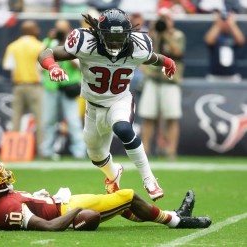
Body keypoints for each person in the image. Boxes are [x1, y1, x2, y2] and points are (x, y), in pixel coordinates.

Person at [38, 8, 177, 201]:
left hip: (119, 100)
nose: (115, 42)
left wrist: (168, 62)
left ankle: (149, 179)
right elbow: (47, 52)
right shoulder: (85, 43)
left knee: (123, 128)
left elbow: (153, 57)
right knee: (95, 154)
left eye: (120, 38)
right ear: (99, 34)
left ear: (129, 35)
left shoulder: (138, 46)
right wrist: (52, 67)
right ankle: (113, 174)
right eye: (110, 36)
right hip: (93, 106)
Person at [0, 159, 212, 231]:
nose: (5, 177)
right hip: (64, 209)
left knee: (114, 203)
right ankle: (177, 220)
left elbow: (12, 211)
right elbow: (49, 226)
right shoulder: (6, 207)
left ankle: (169, 215)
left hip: (57, 204)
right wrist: (71, 210)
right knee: (126, 195)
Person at [137, 8, 185, 160]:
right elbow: (144, 52)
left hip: (170, 81)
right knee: (148, 116)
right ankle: (145, 149)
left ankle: (171, 151)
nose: (163, 22)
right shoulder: (153, 35)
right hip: (152, 79)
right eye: (161, 19)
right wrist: (153, 32)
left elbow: (177, 53)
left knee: (172, 116)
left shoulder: (177, 35)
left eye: (166, 19)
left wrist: (166, 34)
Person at [40, 19, 86, 160]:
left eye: (63, 29)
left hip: (68, 87)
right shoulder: (48, 42)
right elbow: (41, 61)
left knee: (73, 120)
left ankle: (79, 151)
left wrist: (64, 50)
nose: (60, 31)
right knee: (49, 120)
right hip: (51, 86)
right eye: (58, 28)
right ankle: (47, 151)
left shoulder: (74, 44)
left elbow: (78, 66)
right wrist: (55, 44)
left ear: (69, 30)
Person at [2, 20, 45, 154]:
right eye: (36, 27)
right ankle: (42, 151)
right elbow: (43, 67)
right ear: (32, 30)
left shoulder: (13, 46)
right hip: (34, 86)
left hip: (18, 85)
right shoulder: (40, 45)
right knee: (40, 119)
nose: (38, 29)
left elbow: (8, 66)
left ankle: (12, 151)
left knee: (15, 119)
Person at [204, 11, 245, 83]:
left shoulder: (232, 35)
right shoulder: (216, 35)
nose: (225, 23)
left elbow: (241, 41)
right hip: (214, 76)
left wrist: (232, 24)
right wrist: (218, 24)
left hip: (232, 75)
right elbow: (209, 40)